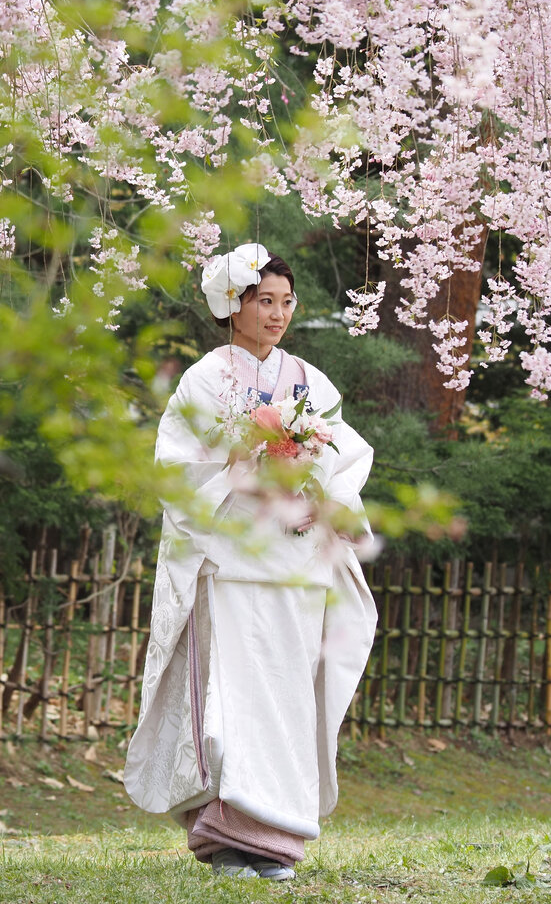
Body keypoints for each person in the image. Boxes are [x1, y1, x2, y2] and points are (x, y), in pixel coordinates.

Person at [123, 243, 377, 881]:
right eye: (265, 301)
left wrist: (317, 483)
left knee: (286, 695)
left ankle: (270, 839)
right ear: (233, 306)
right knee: (233, 698)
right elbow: (177, 467)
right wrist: (243, 464)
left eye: (286, 302)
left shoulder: (309, 380)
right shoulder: (205, 380)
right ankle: (232, 836)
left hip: (292, 560)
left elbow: (345, 456)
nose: (278, 314)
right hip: (232, 558)